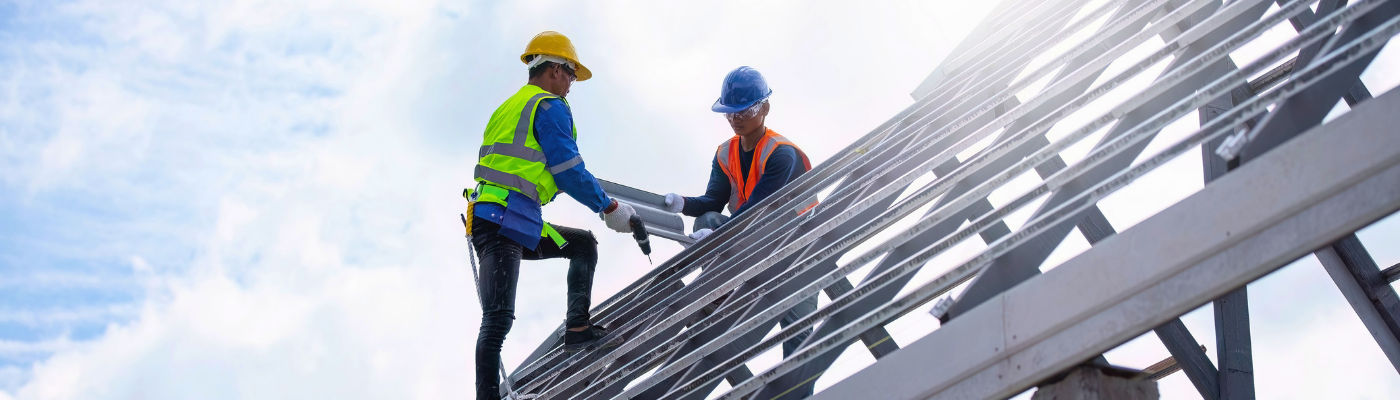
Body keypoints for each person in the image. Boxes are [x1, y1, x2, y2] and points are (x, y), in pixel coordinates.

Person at [466, 31, 635, 400]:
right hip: (502, 219)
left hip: (509, 217)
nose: (572, 85)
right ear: (556, 70)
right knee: (497, 319)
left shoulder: (510, 106)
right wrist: (609, 207)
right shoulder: (548, 105)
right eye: (571, 75)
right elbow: (569, 170)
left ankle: (577, 329)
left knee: (581, 245)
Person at [660, 66, 818, 397]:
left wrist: (718, 238)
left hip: (797, 247)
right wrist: (682, 204)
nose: (736, 119)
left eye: (744, 111)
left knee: (800, 336)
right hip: (751, 242)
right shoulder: (725, 153)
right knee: (707, 222)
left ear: (765, 109)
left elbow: (759, 207)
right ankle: (720, 293)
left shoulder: (781, 153)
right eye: (731, 113)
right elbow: (712, 202)